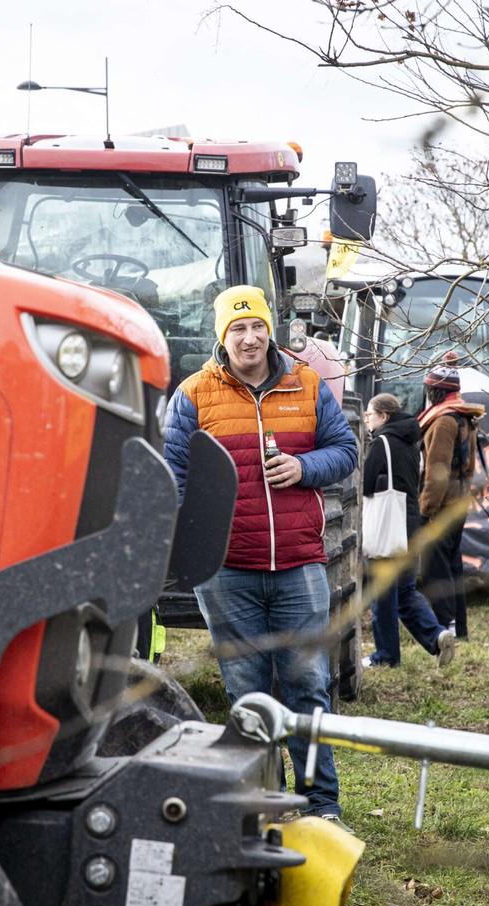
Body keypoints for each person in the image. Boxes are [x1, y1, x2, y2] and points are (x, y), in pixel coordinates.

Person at [162, 284, 358, 822]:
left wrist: (303, 469)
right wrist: (189, 552)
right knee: (247, 695)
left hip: (300, 564)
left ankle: (321, 805)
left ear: (269, 329)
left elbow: (345, 450)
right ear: (221, 337)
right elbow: (173, 479)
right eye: (236, 329)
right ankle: (263, 804)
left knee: (308, 688)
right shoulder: (193, 395)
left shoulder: (309, 385)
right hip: (228, 573)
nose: (248, 338)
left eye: (256, 327)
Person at [361, 393, 457, 669]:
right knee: (404, 592)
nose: (367, 419)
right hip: (410, 523)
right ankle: (437, 635)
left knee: (383, 594)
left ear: (384, 416)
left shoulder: (381, 442)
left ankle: (386, 655)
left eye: (370, 414)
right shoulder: (411, 442)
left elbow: (366, 484)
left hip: (387, 527)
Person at [417, 352, 486, 640]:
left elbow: (438, 471)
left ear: (436, 391)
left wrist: (426, 509)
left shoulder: (445, 421)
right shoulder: (463, 416)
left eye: (430, 389)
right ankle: (459, 628)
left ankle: (444, 625)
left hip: (443, 506)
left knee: (436, 569)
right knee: (452, 565)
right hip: (458, 502)